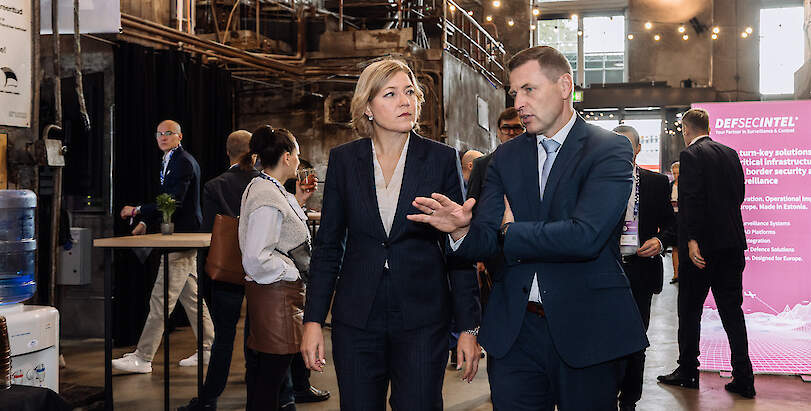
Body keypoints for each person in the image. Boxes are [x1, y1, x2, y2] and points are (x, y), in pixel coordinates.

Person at [407, 46, 648, 410]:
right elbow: (487, 238)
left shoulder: (608, 149)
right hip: (515, 333)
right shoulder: (505, 156)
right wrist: (460, 231)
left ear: (564, 86)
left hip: (588, 328)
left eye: (529, 90)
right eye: (514, 92)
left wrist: (511, 232)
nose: (518, 103)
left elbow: (585, 236)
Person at [300, 59, 481, 410]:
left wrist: (469, 328)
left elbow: (457, 250)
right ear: (367, 107)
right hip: (357, 318)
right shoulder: (344, 161)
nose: (405, 101)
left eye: (410, 92)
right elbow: (327, 248)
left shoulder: (441, 159)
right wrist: (313, 320)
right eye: (391, 94)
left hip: (423, 319)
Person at [657, 108, 755, 398]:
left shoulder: (690, 155)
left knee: (690, 311)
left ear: (686, 130)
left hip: (702, 249)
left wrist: (692, 240)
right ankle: (744, 377)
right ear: (708, 127)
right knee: (732, 313)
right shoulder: (730, 154)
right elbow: (739, 196)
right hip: (732, 245)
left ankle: (688, 371)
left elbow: (692, 200)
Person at [114, 120, 214, 374]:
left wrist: (137, 211)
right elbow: (168, 203)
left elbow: (173, 201)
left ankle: (143, 357)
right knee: (192, 299)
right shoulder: (171, 159)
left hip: (182, 238)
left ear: (180, 136)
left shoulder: (183, 162)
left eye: (168, 133)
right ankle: (209, 349)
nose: (162, 137)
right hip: (179, 236)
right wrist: (146, 222)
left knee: (161, 300)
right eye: (159, 133)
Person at [177, 130, 258, 411]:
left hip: (227, 269)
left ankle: (209, 398)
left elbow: (208, 233)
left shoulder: (215, 186)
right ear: (254, 153)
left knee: (224, 336)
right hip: (260, 268)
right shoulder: (263, 183)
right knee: (257, 331)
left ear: (227, 153)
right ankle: (259, 389)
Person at [239, 126, 313, 410]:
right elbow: (256, 257)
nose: (299, 160)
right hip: (277, 296)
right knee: (270, 381)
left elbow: (281, 233)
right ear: (286, 156)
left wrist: (299, 202)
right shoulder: (266, 194)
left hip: (275, 296)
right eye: (297, 154)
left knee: (268, 380)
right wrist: (292, 272)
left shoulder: (267, 188)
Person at [612, 125, 676, 411]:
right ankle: (605, 394)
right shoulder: (596, 181)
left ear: (638, 149)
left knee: (636, 340)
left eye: (628, 145)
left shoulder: (656, 183)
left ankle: (629, 400)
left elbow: (673, 225)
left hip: (640, 270)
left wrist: (660, 241)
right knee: (605, 338)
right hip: (605, 270)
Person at [466, 107, 524, 202]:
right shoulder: (481, 166)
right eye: (506, 128)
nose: (511, 133)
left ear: (524, 131)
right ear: (498, 132)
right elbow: (472, 204)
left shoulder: (536, 162)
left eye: (516, 128)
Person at [669, 161, 681, 284]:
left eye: (678, 173)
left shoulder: (687, 185)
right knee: (675, 247)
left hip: (683, 218)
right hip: (673, 218)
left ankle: (684, 274)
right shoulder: (670, 185)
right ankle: (676, 274)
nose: (676, 175)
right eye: (674, 173)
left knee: (683, 247)